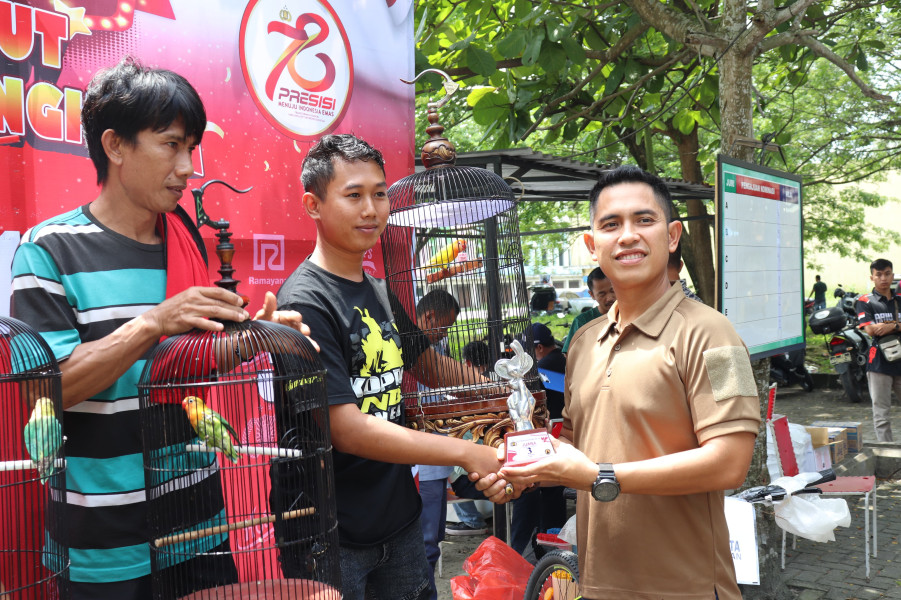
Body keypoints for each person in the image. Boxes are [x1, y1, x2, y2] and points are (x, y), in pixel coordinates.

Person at [10, 58, 307, 600]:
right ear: (116, 146)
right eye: (170, 144)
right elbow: (46, 390)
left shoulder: (186, 239)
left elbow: (187, 362)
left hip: (198, 518)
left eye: (191, 147)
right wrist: (151, 322)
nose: (187, 166)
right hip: (104, 537)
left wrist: (252, 337)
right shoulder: (48, 249)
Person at [479, 165, 760, 599]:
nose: (627, 235)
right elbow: (575, 448)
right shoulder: (585, 342)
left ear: (672, 236)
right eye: (611, 224)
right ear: (593, 245)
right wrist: (524, 470)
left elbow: (730, 463)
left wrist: (600, 474)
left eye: (644, 220)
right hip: (596, 584)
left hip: (686, 587)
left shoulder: (714, 336)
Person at [275, 134, 502, 600]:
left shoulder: (379, 289)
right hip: (328, 531)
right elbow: (348, 429)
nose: (371, 209)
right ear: (313, 205)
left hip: (397, 519)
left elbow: (431, 366)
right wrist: (464, 452)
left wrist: (505, 393)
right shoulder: (305, 301)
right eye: (353, 195)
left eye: (379, 194)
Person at [412, 289, 462, 599]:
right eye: (442, 327)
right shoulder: (413, 355)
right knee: (427, 544)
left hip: (436, 465)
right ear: (428, 317)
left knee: (435, 538)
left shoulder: (434, 352)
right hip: (423, 466)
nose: (444, 334)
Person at [508, 323, 567, 555]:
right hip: (562, 444)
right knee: (553, 503)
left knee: (528, 493)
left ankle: (522, 552)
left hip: (543, 443)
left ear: (538, 348)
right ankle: (553, 551)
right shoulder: (564, 361)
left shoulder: (541, 369)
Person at [445, 339, 492, 536]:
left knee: (442, 469)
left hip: (470, 478)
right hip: (493, 467)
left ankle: (472, 521)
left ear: (467, 364)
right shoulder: (494, 388)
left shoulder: (459, 392)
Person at [856, 259, 901, 442]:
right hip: (879, 365)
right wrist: (897, 325)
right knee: (882, 415)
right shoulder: (865, 301)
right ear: (872, 277)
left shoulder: (899, 300)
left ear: (892, 275)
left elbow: (881, 328)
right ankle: (887, 454)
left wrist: (891, 326)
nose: (883, 278)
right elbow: (870, 329)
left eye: (887, 273)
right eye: (879, 274)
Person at [561, 267, 615, 353]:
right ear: (592, 294)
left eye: (613, 291)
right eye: (602, 294)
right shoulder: (582, 322)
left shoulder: (631, 315)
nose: (609, 298)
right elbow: (569, 354)